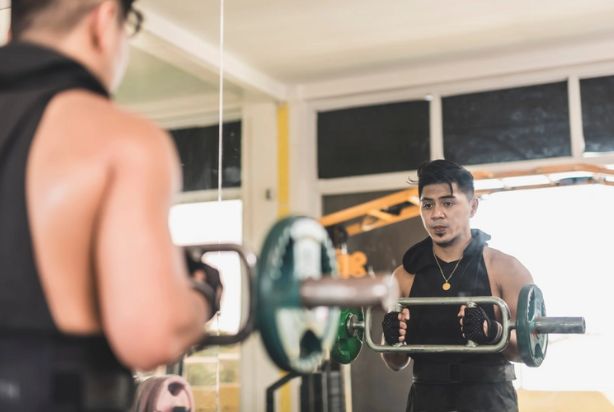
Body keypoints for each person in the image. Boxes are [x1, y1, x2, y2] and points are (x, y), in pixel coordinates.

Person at [0, 1, 221, 410]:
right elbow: (150, 335)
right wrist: (202, 295)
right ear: (104, 20)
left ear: (13, 32)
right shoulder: (120, 139)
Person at [381, 159, 534, 412]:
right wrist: (392, 338)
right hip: (425, 399)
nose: (436, 214)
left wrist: (493, 333)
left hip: (489, 399)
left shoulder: (506, 269)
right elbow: (395, 362)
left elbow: (526, 352)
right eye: (427, 205)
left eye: (448, 203)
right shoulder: (403, 277)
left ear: (473, 207)